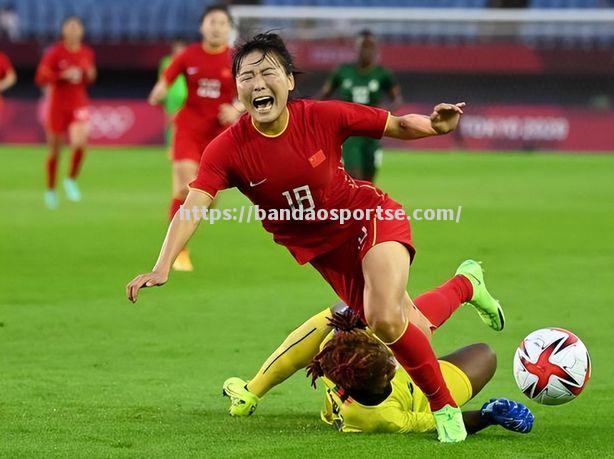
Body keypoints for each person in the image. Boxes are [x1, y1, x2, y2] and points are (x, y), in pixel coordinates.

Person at [126, 32, 504, 443]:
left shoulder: (321, 116)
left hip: (370, 218)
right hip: (329, 256)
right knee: (408, 327)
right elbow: (193, 204)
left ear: (288, 81)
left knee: (384, 317)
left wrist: (434, 126)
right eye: (246, 76)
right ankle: (467, 283)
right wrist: (162, 265)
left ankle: (445, 408)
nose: (257, 83)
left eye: (267, 72)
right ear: (237, 90)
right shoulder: (227, 149)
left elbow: (394, 124)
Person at [227, 307, 532, 435]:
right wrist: (488, 415)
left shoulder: (338, 360)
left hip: (363, 359)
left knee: (345, 310)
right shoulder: (380, 417)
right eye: (388, 370)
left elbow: (324, 333)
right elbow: (440, 423)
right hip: (423, 396)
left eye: (387, 359)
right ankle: (464, 285)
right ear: (371, 384)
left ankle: (250, 392)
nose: (392, 365)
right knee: (485, 354)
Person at [147, 4, 241, 272]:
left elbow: (248, 96)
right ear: (202, 26)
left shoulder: (235, 60)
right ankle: (179, 251)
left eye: (222, 23)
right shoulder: (188, 55)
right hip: (188, 129)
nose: (217, 27)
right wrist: (158, 92)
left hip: (218, 137)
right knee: (185, 189)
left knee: (207, 200)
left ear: (228, 29)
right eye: (212, 22)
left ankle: (188, 226)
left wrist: (236, 109)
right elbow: (165, 80)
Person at [319, 30, 402, 182]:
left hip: (373, 131)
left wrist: (383, 113)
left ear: (376, 50)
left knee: (369, 180)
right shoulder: (343, 71)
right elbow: (324, 95)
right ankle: (353, 205)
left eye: (371, 47)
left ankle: (366, 205)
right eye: (364, 47)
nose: (367, 51)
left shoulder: (383, 74)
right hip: (349, 132)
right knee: (354, 176)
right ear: (357, 48)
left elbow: (396, 99)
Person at [35, 16, 96, 210]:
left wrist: (88, 73)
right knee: (54, 150)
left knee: (80, 142)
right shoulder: (55, 53)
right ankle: (51, 189)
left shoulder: (86, 52)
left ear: (81, 31)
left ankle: (70, 179)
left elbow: (90, 78)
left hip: (78, 103)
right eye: (69, 27)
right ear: (63, 30)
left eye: (76, 27)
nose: (73, 30)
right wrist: (62, 75)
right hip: (57, 106)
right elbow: (40, 77)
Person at [158, 38, 187, 157]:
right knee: (171, 122)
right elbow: (162, 79)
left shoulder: (188, 61)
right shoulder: (166, 61)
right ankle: (170, 147)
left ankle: (181, 147)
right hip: (171, 95)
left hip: (186, 95)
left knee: (184, 123)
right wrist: (161, 94)